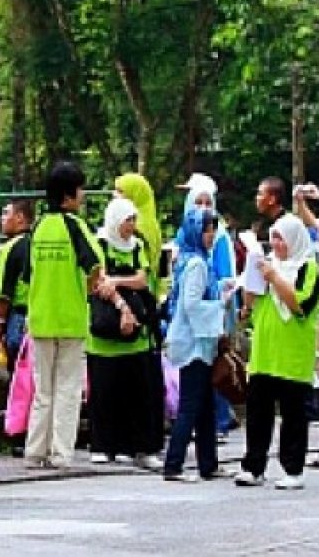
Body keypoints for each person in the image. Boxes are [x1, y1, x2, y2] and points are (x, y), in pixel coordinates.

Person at [22, 160, 102, 470]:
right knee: (68, 388)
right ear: (69, 195)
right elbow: (94, 264)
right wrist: (88, 287)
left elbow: (29, 272)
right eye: (80, 189)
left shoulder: (40, 227)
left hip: (41, 316)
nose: (82, 195)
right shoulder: (75, 226)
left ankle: (35, 450)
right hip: (69, 318)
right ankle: (61, 454)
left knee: (42, 388)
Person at [235, 214, 319, 489]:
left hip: (293, 353)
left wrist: (274, 277)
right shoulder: (269, 264)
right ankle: (253, 466)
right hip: (264, 352)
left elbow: (300, 304)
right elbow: (251, 300)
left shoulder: (309, 268)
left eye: (281, 238)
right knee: (259, 412)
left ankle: (293, 469)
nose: (277, 244)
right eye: (274, 238)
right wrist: (252, 279)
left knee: (294, 415)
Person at [86, 197, 163, 470]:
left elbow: (141, 279)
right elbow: (99, 282)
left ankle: (138, 446)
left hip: (136, 337)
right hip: (105, 331)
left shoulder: (137, 246)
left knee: (137, 393)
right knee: (104, 392)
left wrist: (117, 282)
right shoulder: (100, 245)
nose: (131, 225)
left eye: (133, 220)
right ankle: (103, 444)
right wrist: (121, 307)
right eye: (127, 220)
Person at [162, 202, 231, 483]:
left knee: (204, 407)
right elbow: (192, 305)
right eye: (207, 230)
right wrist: (221, 303)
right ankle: (174, 464)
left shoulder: (189, 260)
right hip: (194, 344)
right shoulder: (198, 264)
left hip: (195, 342)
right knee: (191, 406)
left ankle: (208, 463)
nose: (211, 235)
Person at [114, 171, 166, 455]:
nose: (115, 198)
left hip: (140, 304)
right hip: (150, 303)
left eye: (121, 192)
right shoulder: (152, 223)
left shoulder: (138, 229)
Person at [0, 198, 34, 374]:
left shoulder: (12, 247)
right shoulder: (36, 243)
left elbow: (5, 292)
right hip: (36, 319)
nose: (2, 218)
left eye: (6, 213)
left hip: (17, 319)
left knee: (17, 377)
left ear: (20, 218)